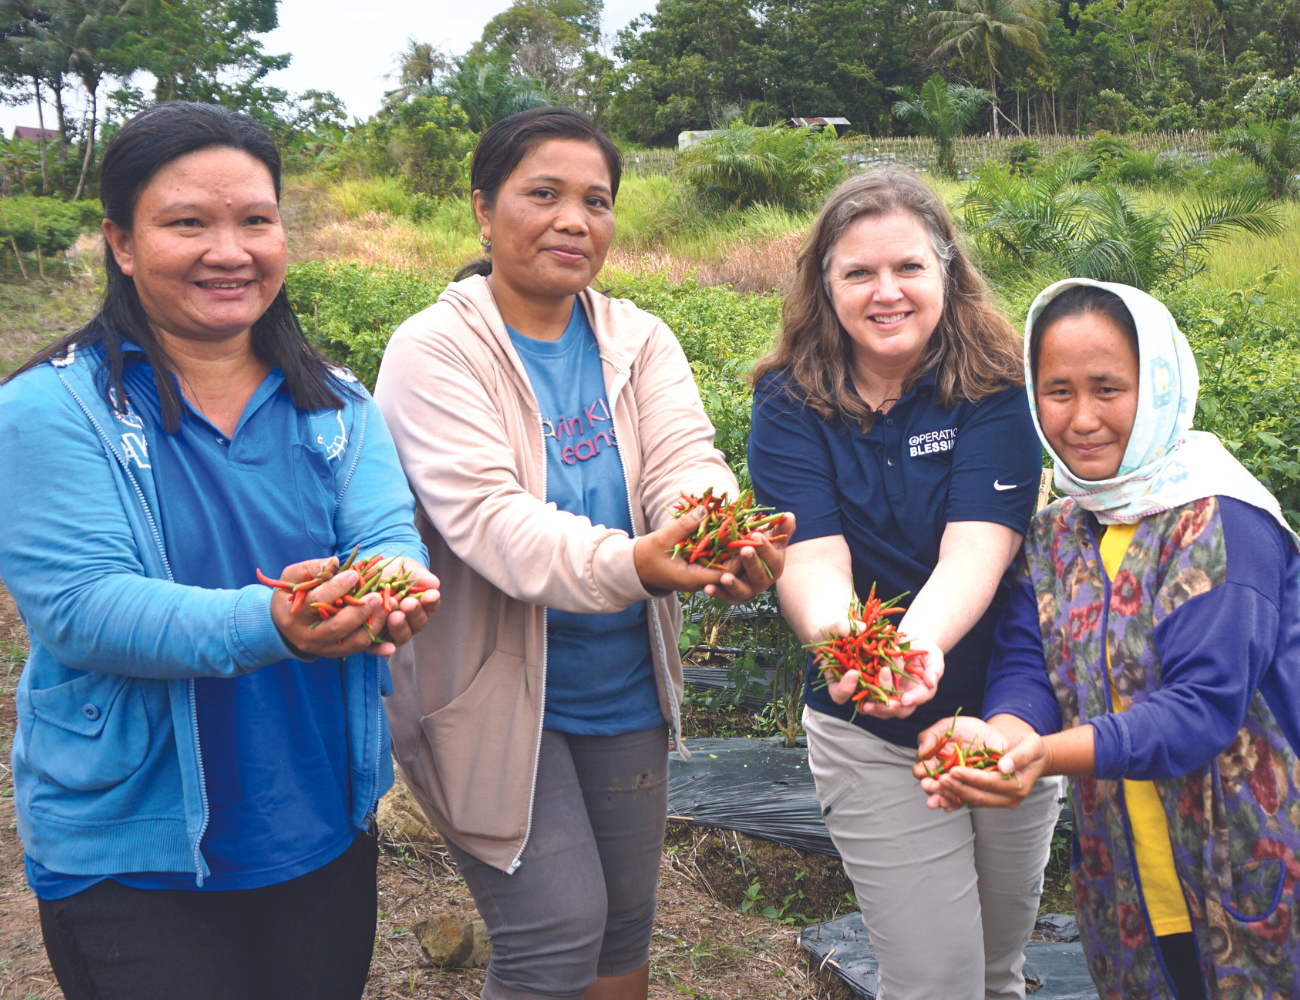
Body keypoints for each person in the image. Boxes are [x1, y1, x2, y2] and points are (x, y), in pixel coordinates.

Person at [0, 101, 440, 1000]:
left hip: (319, 814)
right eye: (188, 223)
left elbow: (387, 535)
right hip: (134, 853)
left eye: (255, 220)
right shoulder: (48, 412)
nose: (230, 251)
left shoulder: (338, 407)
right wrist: (275, 619)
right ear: (122, 243)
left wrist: (392, 582)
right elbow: (84, 608)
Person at [373, 106, 791, 1000]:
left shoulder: (637, 339)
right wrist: (637, 564)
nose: (573, 220)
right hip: (488, 696)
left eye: (596, 201)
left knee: (621, 931)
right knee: (555, 933)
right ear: (483, 209)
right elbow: (491, 519)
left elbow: (685, 460)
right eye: (544, 195)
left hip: (621, 685)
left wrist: (715, 532)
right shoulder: (433, 350)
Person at [915, 278, 1300, 1000]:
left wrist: (1047, 756)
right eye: (1058, 392)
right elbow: (1028, 666)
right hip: (1127, 883)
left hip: (1252, 869)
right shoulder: (1057, 532)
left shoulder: (1222, 521)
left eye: (1108, 389)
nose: (1083, 418)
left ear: (1158, 388)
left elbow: (1202, 709)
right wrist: (1003, 737)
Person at [747, 167, 1062, 999]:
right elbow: (812, 560)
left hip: (1006, 713)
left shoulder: (999, 387)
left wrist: (911, 647)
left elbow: (977, 551)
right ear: (825, 284)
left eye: (908, 267)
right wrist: (858, 652)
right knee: (934, 978)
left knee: (996, 970)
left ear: (946, 271)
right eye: (859, 272)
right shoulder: (787, 401)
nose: (886, 292)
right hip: (868, 734)